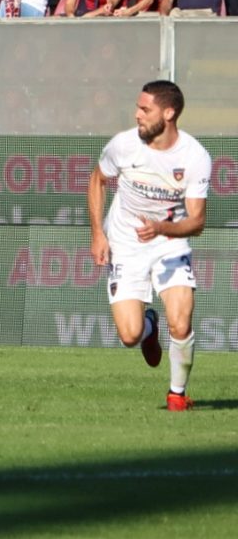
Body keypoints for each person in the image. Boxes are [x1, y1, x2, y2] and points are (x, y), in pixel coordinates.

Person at [87, 80, 212, 412]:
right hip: (126, 242)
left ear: (168, 114)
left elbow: (197, 221)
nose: (137, 115)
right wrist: (98, 233)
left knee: (182, 322)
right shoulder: (124, 145)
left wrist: (162, 228)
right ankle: (149, 327)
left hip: (170, 242)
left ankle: (177, 394)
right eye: (138, 108)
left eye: (145, 110)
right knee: (129, 335)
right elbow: (97, 180)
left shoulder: (195, 156)